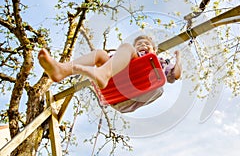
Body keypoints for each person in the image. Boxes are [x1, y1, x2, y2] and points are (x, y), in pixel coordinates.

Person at [38, 35, 182, 113]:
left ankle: (102, 74)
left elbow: (175, 75)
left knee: (126, 48)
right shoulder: (122, 58)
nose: (142, 46)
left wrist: (178, 57)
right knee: (100, 54)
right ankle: (62, 70)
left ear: (154, 50)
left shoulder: (161, 62)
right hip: (117, 95)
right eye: (139, 44)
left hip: (142, 90)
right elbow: (123, 54)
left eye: (146, 44)